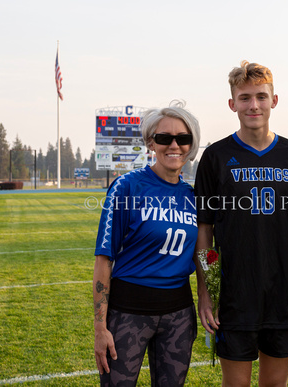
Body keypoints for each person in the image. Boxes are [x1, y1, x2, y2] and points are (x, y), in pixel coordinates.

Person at [194, 61, 288, 387]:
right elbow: (205, 230)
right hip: (235, 293)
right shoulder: (216, 157)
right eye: (245, 98)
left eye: (261, 97)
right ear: (232, 104)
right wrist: (206, 292)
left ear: (274, 100)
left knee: (274, 385)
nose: (254, 105)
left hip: (284, 292)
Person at [93, 100, 201, 387]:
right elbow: (104, 258)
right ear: (151, 143)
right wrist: (100, 327)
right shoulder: (127, 186)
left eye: (183, 138)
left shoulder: (194, 197)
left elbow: (204, 254)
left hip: (179, 315)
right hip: (128, 313)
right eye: (164, 138)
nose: (174, 146)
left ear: (191, 145)